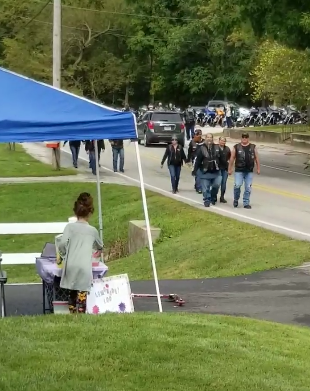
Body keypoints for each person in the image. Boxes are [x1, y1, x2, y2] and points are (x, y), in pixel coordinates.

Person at [59, 192, 103, 314]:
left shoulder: (69, 227)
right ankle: (81, 313)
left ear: (75, 211)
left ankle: (72, 313)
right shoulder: (92, 231)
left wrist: (64, 255)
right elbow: (100, 246)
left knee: (72, 291)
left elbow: (62, 244)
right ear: (90, 212)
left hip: (71, 264)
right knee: (82, 292)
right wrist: (98, 252)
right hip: (84, 266)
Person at [228, 132, 260, 209]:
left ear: (248, 138)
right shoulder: (236, 147)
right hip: (239, 170)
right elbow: (232, 158)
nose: (244, 139)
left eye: (246, 137)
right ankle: (236, 199)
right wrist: (230, 168)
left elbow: (256, 158)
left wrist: (258, 168)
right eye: (243, 137)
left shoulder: (253, 147)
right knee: (237, 185)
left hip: (249, 171)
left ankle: (246, 202)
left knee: (248, 187)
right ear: (241, 138)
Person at [193, 133, 221, 207]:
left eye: (210, 137)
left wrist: (225, 167)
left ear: (212, 138)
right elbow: (198, 161)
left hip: (215, 171)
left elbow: (222, 158)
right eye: (207, 137)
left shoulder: (216, 147)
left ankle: (213, 196)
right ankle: (207, 200)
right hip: (205, 172)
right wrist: (195, 170)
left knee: (216, 185)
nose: (209, 139)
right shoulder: (201, 148)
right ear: (205, 138)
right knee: (205, 189)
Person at [187, 129, 204, 193]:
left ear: (200, 135)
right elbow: (189, 152)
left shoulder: (204, 142)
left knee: (201, 174)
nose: (194, 136)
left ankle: (197, 184)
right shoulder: (192, 142)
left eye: (196, 135)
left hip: (203, 161)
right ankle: (199, 187)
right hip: (195, 161)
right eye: (194, 135)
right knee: (197, 174)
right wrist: (188, 160)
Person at [218, 136, 231, 203]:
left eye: (224, 141)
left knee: (223, 183)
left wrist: (230, 168)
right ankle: (213, 196)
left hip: (225, 169)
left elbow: (230, 159)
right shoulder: (215, 148)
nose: (222, 142)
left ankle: (222, 197)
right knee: (217, 183)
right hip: (217, 169)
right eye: (221, 140)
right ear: (219, 141)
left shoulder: (227, 149)